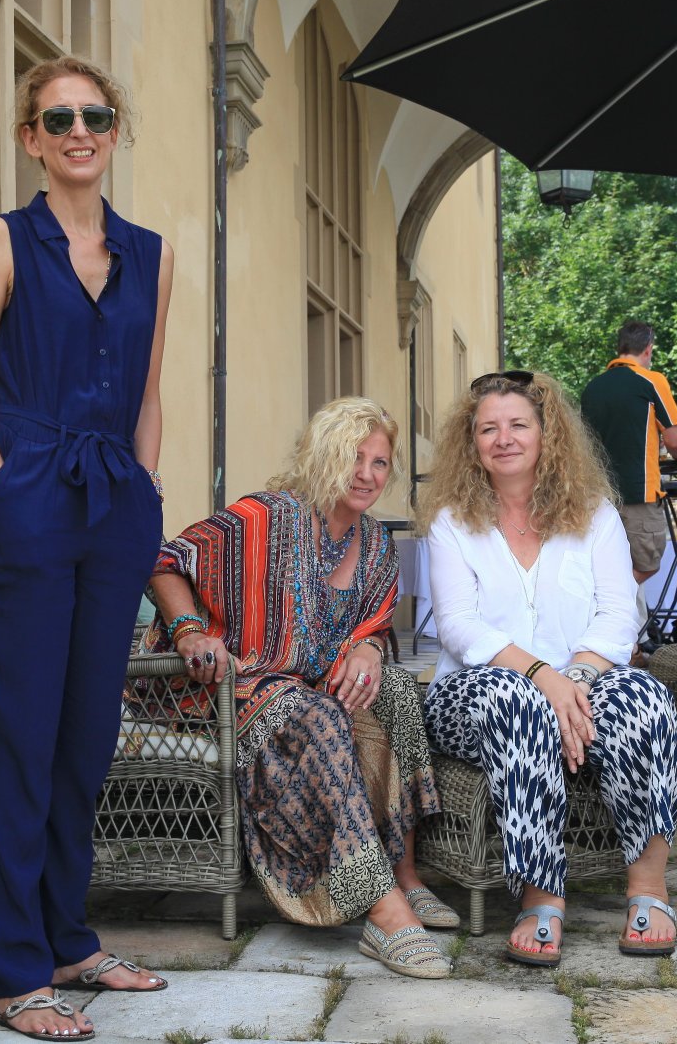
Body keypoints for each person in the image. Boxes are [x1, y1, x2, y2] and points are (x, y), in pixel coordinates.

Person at [0, 56, 173, 1040]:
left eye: (97, 116)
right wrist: (6, 491)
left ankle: (70, 936)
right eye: (60, 117)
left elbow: (149, 391)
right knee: (20, 735)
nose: (81, 131)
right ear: (30, 138)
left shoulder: (153, 253)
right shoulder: (2, 237)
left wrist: (146, 495)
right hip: (29, 493)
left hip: (115, 504)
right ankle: (14, 971)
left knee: (85, 734)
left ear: (116, 132)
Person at [141, 398, 454, 980]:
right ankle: (382, 910)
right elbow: (164, 559)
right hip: (228, 684)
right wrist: (188, 631)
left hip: (308, 685)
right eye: (354, 457)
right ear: (323, 456)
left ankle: (404, 873)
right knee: (317, 716)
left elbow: (375, 623)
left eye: (380, 463)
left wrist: (368, 649)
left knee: (397, 691)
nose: (367, 475)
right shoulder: (263, 516)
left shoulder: (375, 543)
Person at [420, 371, 677, 968]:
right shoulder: (451, 522)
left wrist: (576, 682)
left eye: (518, 424)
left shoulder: (594, 514)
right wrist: (545, 678)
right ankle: (542, 894)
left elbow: (619, 612)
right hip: (473, 694)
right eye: (488, 428)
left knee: (644, 698)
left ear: (547, 434)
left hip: (583, 682)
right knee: (515, 702)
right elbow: (458, 625)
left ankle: (648, 886)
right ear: (471, 442)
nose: (504, 438)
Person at [580, 321, 677, 587]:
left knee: (607, 562)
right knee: (647, 563)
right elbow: (674, 441)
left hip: (598, 493)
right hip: (639, 492)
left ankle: (615, 604)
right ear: (648, 349)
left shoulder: (593, 387)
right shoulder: (651, 380)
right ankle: (608, 601)